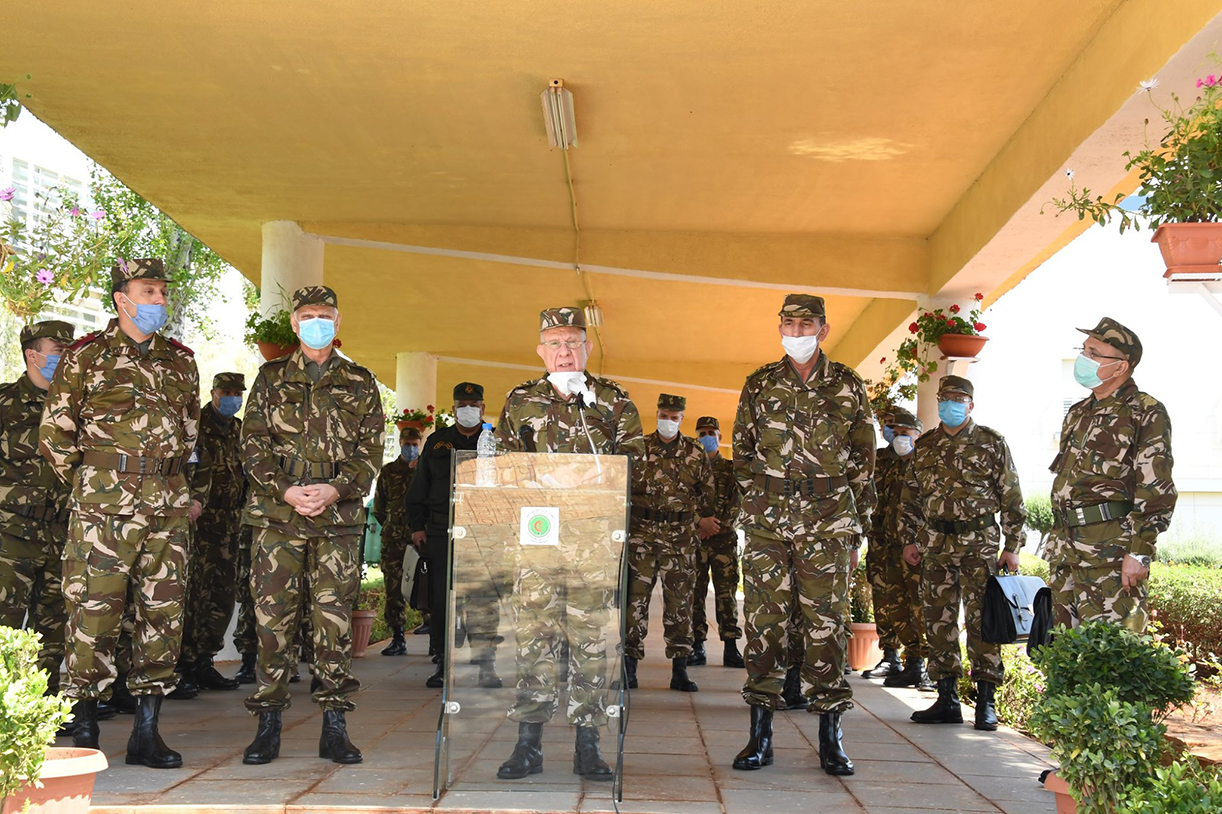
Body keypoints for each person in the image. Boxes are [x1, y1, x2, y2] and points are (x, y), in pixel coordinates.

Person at [39, 258, 200, 768]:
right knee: (93, 612)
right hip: (103, 511)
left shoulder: (181, 362)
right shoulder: (87, 356)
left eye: (161, 291)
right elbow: (55, 434)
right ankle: (85, 726)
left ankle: (146, 734)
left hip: (168, 508)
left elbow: (190, 434)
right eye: (147, 290)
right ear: (121, 298)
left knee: (163, 616)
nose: (157, 299)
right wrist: (97, 485)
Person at [492, 306, 644, 781]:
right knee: (533, 642)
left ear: (587, 347)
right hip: (536, 543)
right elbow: (500, 469)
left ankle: (588, 745)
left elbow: (635, 468)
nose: (564, 351)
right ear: (541, 350)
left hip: (593, 547)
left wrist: (584, 482)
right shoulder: (520, 402)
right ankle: (528, 745)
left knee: (590, 645)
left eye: (573, 342)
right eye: (554, 343)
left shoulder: (614, 403)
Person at [239, 285, 384, 766]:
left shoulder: (361, 383)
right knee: (272, 621)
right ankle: (268, 726)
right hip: (279, 518)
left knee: (334, 624)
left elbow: (370, 453)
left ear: (337, 323)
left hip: (336, 519)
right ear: (295, 324)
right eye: (307, 315)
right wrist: (284, 490)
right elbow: (252, 446)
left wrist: (335, 490)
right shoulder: (269, 378)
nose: (316, 321)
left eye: (325, 314)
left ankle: (335, 727)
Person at [731, 294, 874, 777]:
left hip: (828, 522)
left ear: (823, 329)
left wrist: (851, 527)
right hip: (769, 523)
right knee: (765, 623)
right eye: (788, 323)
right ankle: (760, 736)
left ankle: (831, 739)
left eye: (805, 323)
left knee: (826, 626)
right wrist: (760, 504)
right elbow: (743, 454)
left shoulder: (849, 385)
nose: (796, 331)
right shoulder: (760, 384)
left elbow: (864, 460)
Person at [901, 375, 1026, 732]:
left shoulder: (991, 443)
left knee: (982, 621)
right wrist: (909, 540)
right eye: (945, 398)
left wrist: (1012, 546)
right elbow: (910, 500)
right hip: (935, 545)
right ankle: (947, 698)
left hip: (980, 545)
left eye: (959, 398)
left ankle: (986, 702)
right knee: (938, 621)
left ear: (971, 404)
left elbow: (1012, 498)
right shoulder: (924, 446)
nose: (951, 404)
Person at [1047, 318, 1175, 632]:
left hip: (1111, 556)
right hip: (1066, 551)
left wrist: (1140, 550)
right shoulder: (1078, 412)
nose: (1083, 358)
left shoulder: (1145, 411)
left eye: (1094, 353)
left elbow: (1155, 487)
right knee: (1060, 655)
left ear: (1120, 367)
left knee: (1113, 657)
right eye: (1084, 350)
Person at [405, 382, 500, 688]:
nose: (468, 410)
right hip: (441, 530)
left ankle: (486, 664)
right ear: (454, 408)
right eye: (461, 405)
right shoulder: (438, 442)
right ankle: (444, 663)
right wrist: (417, 527)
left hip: (483, 532)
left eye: (473, 405)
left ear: (483, 408)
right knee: (442, 598)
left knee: (482, 597)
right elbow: (419, 487)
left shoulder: (494, 441)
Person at [0, 321, 75, 697]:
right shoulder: (4, 402)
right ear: (33, 355)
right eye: (60, 350)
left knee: (54, 627)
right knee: (5, 627)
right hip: (10, 536)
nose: (67, 357)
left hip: (61, 532)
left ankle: (41, 707)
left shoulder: (78, 407)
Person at [624, 394, 715, 692]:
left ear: (682, 419)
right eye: (665, 414)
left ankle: (679, 670)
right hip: (641, 538)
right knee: (634, 605)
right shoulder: (637, 448)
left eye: (675, 417)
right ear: (657, 413)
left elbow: (707, 491)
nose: (669, 420)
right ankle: (629, 668)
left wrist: (694, 517)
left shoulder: (694, 451)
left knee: (680, 607)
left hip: (680, 541)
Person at [180, 372, 248, 691]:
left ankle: (205, 660)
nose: (233, 397)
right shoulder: (196, 426)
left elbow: (248, 476)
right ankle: (184, 664)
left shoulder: (240, 431)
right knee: (194, 595)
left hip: (230, 528)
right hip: (198, 526)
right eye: (227, 391)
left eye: (238, 392)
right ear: (213, 392)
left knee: (223, 594)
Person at [863, 408, 932, 689]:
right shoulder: (882, 461)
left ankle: (923, 665)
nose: (898, 436)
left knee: (919, 605)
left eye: (905, 432)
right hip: (883, 544)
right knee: (889, 603)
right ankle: (894, 657)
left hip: (914, 547)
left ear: (917, 434)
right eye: (894, 430)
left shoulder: (925, 464)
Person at [691, 416, 744, 669]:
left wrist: (715, 527)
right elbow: (682, 499)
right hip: (696, 541)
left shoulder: (732, 469)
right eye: (702, 433)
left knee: (726, 595)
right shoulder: (690, 468)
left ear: (720, 437)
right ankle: (696, 646)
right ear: (696, 438)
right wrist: (699, 523)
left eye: (711, 432)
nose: (707, 437)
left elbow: (737, 504)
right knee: (695, 595)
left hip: (724, 542)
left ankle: (731, 648)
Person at [372, 425, 422, 656]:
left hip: (420, 537)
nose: (410, 448)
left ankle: (434, 637)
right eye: (407, 443)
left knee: (425, 586)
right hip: (393, 539)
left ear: (420, 444)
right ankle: (398, 636)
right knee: (393, 588)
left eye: (414, 444)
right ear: (400, 442)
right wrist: (395, 526)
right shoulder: (389, 471)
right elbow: (379, 508)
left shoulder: (425, 468)